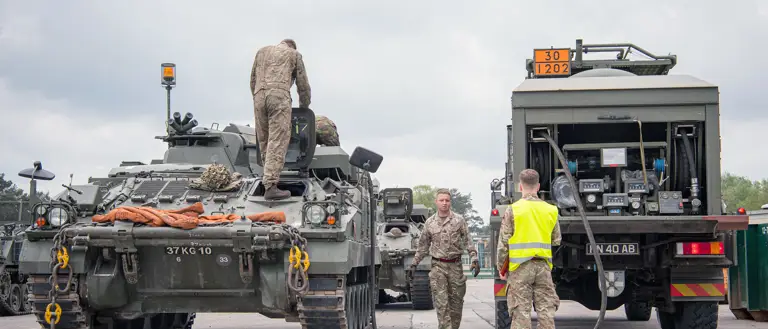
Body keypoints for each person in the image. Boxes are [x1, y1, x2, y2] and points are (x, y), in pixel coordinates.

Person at [496, 169, 561, 329]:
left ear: (520, 187)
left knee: (521, 315)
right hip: (543, 267)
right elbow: (556, 240)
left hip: (520, 269)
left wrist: (501, 268)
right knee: (546, 315)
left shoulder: (513, 209)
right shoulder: (551, 210)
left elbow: (503, 243)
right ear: (538, 186)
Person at [250, 38, 311, 200]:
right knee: (277, 140)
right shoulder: (294, 54)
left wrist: (258, 99)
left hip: (258, 96)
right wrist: (304, 107)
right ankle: (271, 186)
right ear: (292, 46)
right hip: (279, 96)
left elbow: (252, 81)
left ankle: (267, 180)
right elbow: (303, 84)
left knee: (264, 139)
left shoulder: (261, 51)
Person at [411, 188, 479, 329]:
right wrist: (414, 264)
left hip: (455, 267)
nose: (444, 203)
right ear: (436, 202)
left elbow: (468, 241)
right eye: (441, 200)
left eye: (447, 200)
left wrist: (474, 258)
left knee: (456, 306)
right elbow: (423, 246)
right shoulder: (430, 223)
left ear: (450, 202)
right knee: (442, 306)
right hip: (438, 267)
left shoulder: (459, 220)